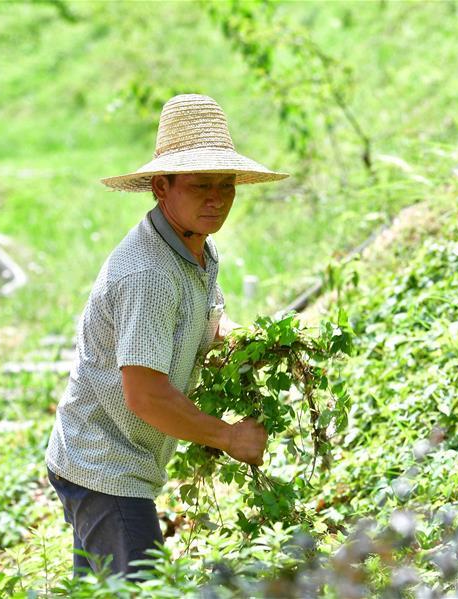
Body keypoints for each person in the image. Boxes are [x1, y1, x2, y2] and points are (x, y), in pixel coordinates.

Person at [44, 94, 289, 578]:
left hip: (115, 459)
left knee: (104, 589)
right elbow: (147, 396)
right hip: (104, 464)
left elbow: (206, 322)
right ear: (161, 187)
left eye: (226, 185)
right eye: (200, 185)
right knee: (143, 589)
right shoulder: (148, 275)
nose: (216, 198)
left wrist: (249, 341)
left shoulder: (197, 250)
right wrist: (228, 436)